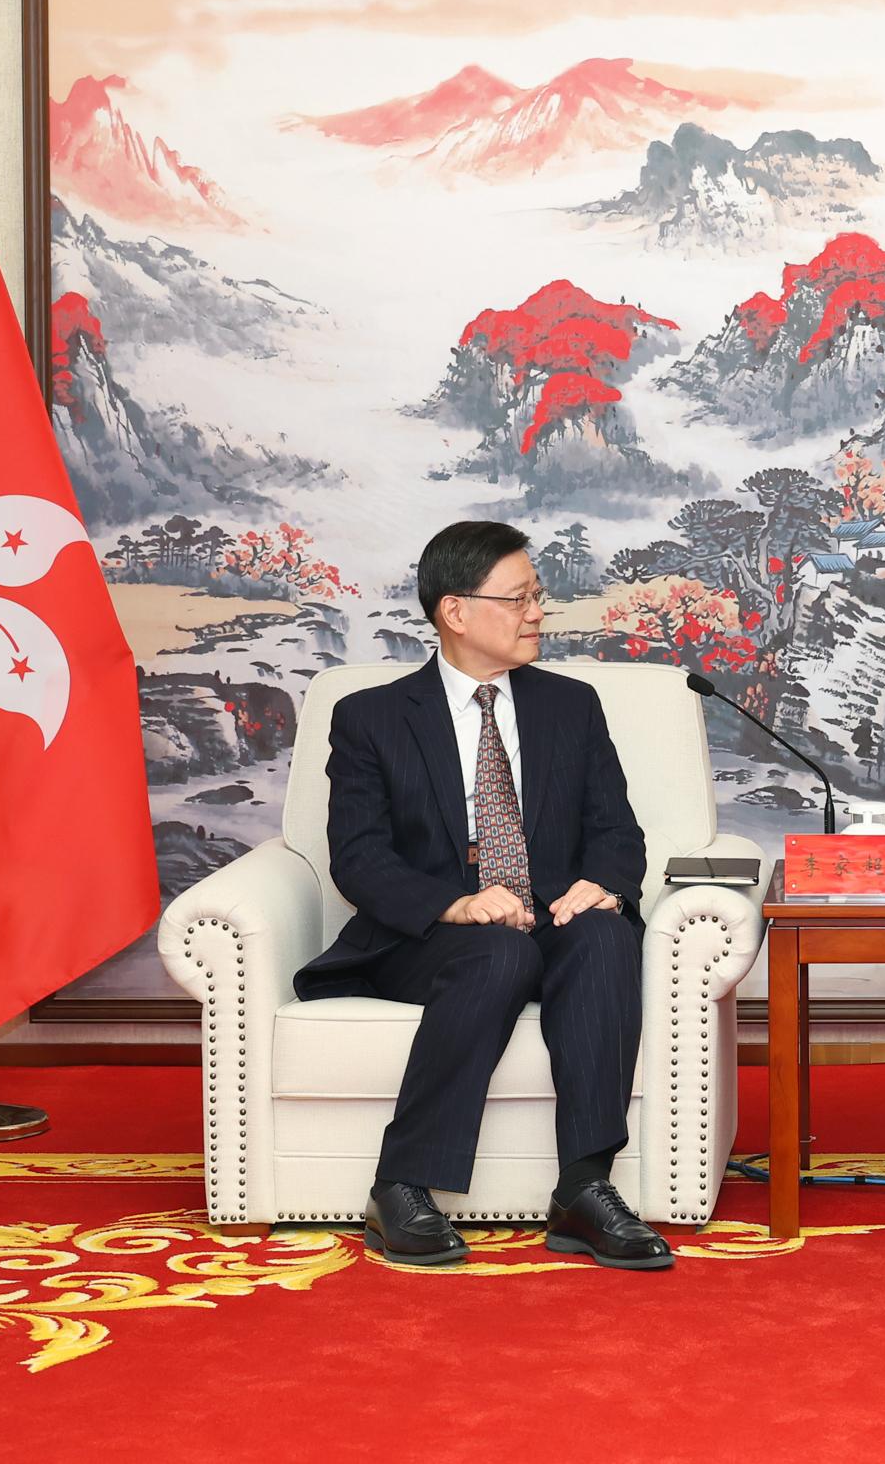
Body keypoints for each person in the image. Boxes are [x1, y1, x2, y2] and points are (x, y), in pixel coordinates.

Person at [293, 520, 667, 1271]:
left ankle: (584, 1189)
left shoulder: (571, 705)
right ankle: (400, 1185)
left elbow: (616, 830)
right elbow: (358, 856)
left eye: (538, 596)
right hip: (428, 935)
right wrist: (454, 904)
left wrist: (604, 885)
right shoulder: (371, 717)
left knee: (604, 934)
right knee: (498, 953)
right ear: (454, 612)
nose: (537, 613)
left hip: (548, 912)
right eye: (518, 598)